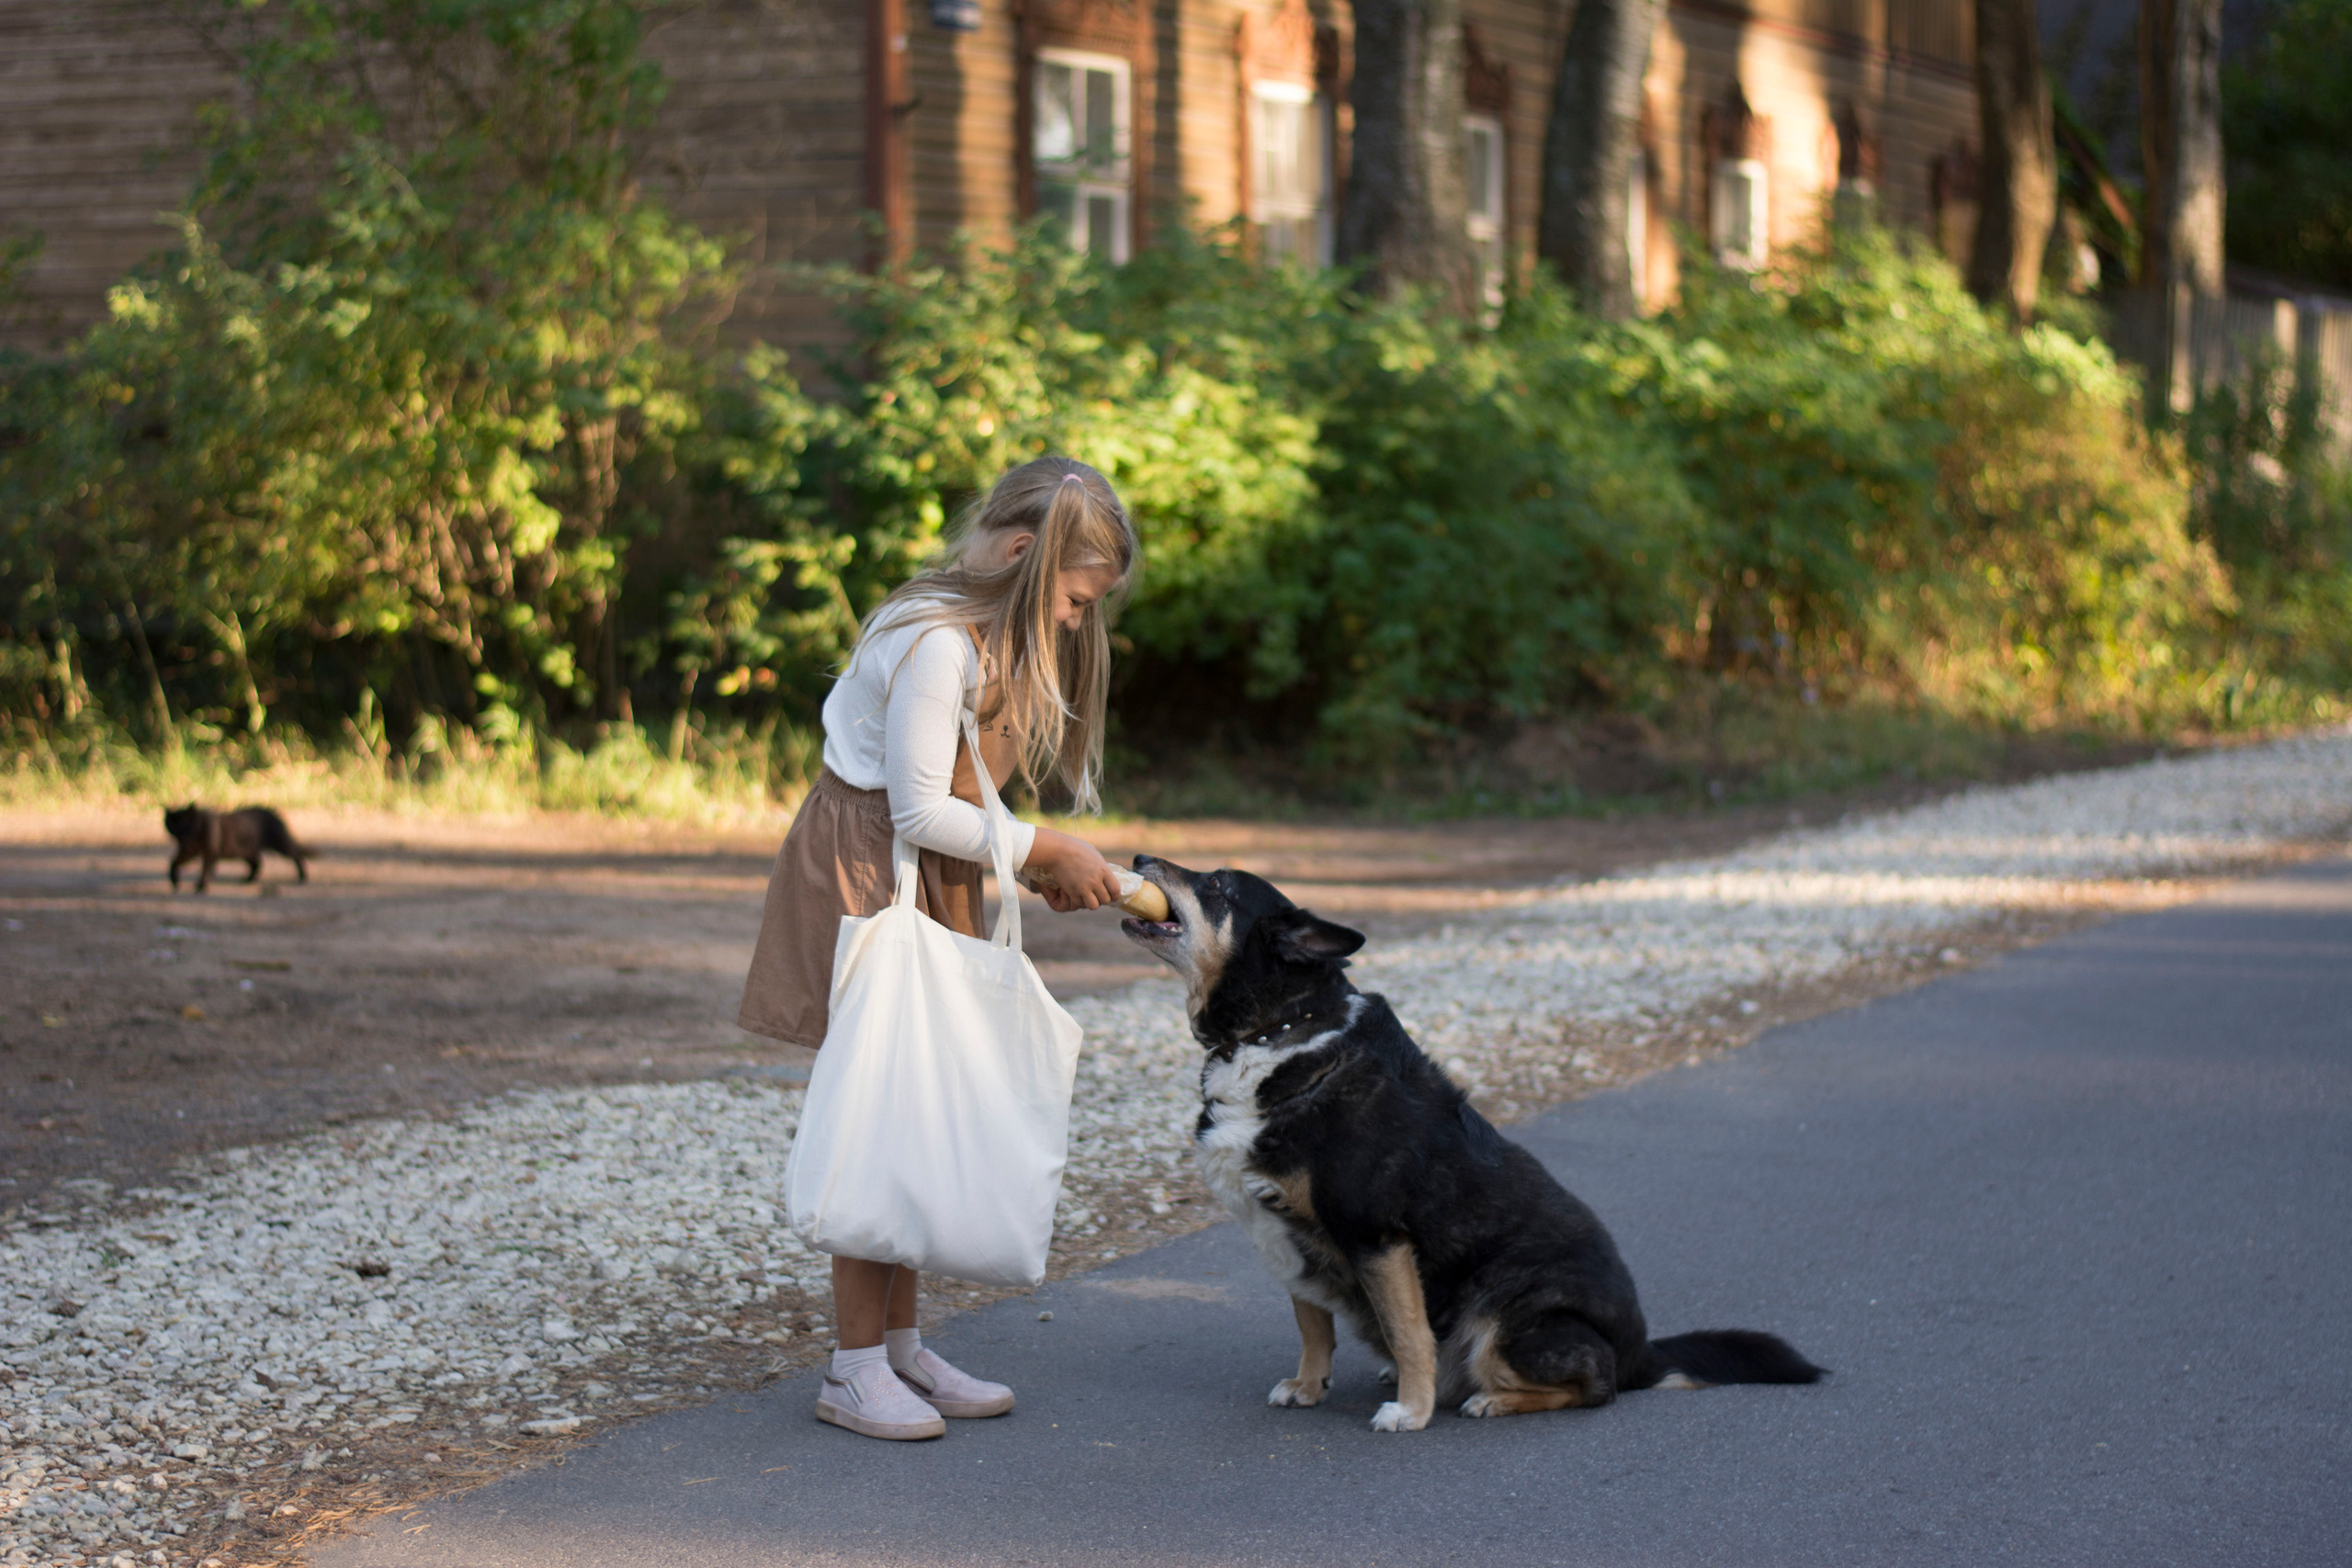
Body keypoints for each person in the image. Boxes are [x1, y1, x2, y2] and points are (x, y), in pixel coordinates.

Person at [737, 454, 1138, 1441]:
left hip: (923, 864)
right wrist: (1040, 845)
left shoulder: (982, 632)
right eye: (1076, 602)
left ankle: (902, 1351)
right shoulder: (935, 642)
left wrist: (1027, 861)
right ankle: (852, 1368)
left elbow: (960, 796)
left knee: (919, 1104)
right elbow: (917, 806)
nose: (1076, 623)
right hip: (870, 873)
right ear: (1017, 554)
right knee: (882, 1111)